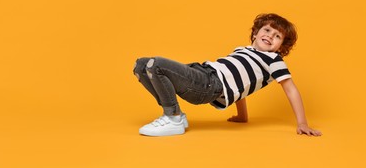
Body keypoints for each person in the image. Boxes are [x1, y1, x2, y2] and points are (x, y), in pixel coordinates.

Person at [133, 13, 322, 137]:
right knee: (141, 66)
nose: (270, 36)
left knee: (155, 64)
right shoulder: (243, 50)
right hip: (203, 71)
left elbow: (291, 89)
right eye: (267, 30)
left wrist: (302, 123)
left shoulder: (273, 59)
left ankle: (173, 117)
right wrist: (242, 116)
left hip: (209, 85)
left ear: (282, 47)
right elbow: (238, 83)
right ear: (255, 33)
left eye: (277, 36)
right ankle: (176, 116)